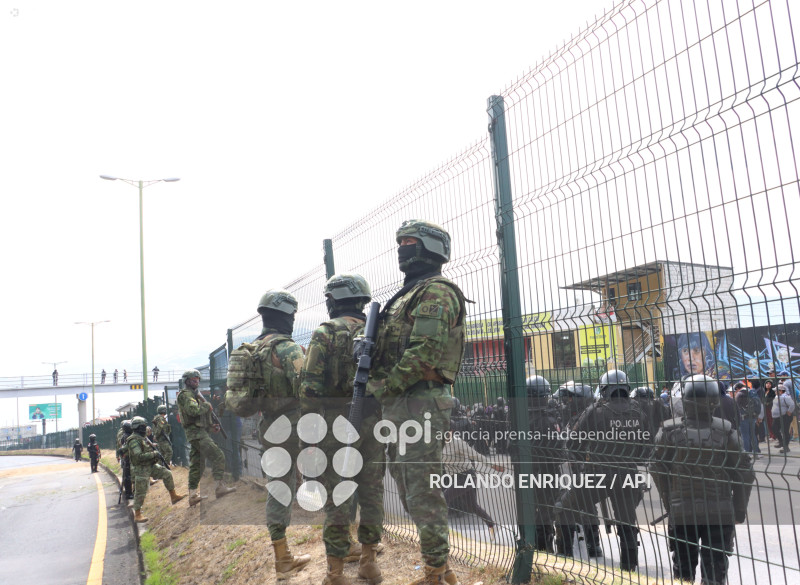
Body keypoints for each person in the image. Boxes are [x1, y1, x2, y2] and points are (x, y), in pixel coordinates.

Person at [366, 220, 467, 585]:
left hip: (421, 402)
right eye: (400, 242)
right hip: (401, 403)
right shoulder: (406, 295)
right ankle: (441, 569)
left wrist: (381, 388)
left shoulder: (437, 292)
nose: (402, 248)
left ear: (431, 248)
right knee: (409, 488)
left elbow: (424, 353)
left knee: (423, 491)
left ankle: (436, 572)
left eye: (409, 241)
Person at [298, 274, 384, 585]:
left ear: (332, 300)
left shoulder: (325, 333)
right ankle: (369, 561)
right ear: (362, 299)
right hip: (374, 422)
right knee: (372, 492)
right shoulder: (379, 331)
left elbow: (309, 388)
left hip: (336, 423)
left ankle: (335, 572)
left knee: (338, 495)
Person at [650, 374, 754, 585]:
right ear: (715, 401)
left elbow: (656, 467)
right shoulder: (726, 432)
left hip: (682, 511)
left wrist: (669, 501)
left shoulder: (669, 431)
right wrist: (739, 510)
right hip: (720, 510)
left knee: (683, 572)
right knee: (715, 570)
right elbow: (744, 472)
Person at [555, 370, 651, 572]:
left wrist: (587, 460)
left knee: (564, 509)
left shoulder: (595, 410)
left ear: (605, 389)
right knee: (626, 523)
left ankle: (563, 561)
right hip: (627, 474)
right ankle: (629, 569)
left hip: (597, 474)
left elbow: (573, 444)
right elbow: (647, 446)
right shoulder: (638, 410)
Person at [250, 289, 311, 579]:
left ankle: (282, 556)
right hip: (296, 425)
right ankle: (345, 544)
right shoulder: (286, 349)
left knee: (278, 487)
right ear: (288, 316)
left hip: (268, 426)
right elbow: (306, 388)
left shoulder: (253, 350)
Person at [177, 369, 236, 506]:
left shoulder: (193, 395)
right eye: (193, 379)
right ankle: (220, 487)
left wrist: (210, 427)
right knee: (218, 455)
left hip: (198, 433)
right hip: (197, 434)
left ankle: (192, 495)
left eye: (197, 379)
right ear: (186, 381)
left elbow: (197, 418)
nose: (196, 381)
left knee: (198, 464)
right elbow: (193, 411)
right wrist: (206, 405)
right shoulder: (186, 395)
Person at [442, 419, 505, 541]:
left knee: (444, 498)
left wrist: (492, 465)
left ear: (451, 431)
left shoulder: (457, 442)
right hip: (456, 477)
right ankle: (492, 525)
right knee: (472, 506)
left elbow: (474, 455)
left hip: (466, 476)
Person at [125, 416, 186, 522]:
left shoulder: (142, 437)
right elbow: (139, 456)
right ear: (138, 427)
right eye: (143, 426)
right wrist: (154, 454)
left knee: (167, 473)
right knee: (140, 492)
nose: (145, 428)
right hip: (141, 469)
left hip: (150, 465)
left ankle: (173, 496)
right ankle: (137, 514)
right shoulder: (133, 440)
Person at [734, 382, 763, 457]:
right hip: (752, 417)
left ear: (737, 388)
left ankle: (747, 453)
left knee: (745, 435)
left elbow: (736, 407)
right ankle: (756, 452)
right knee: (753, 435)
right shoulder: (751, 392)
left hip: (744, 418)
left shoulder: (739, 394)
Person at [772, 381, 795, 454]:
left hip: (784, 416)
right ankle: (781, 441)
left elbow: (792, 405)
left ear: (781, 391)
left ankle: (786, 447)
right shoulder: (777, 396)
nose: (775, 391)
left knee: (785, 431)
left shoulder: (786, 397)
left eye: (776, 390)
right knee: (774, 428)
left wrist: (789, 411)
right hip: (777, 417)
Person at [117, 420, 134, 500]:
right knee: (128, 476)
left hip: (126, 457)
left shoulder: (125, 435)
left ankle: (129, 492)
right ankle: (129, 493)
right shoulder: (127, 436)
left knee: (127, 476)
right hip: (127, 458)